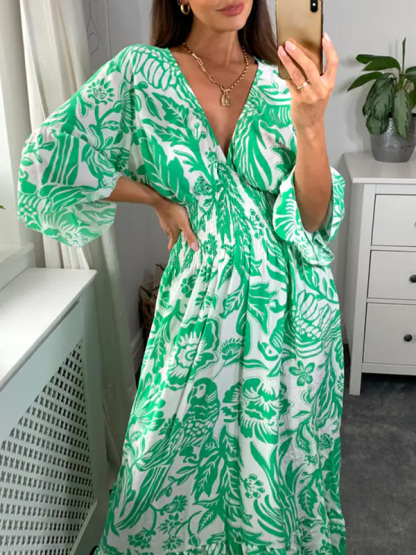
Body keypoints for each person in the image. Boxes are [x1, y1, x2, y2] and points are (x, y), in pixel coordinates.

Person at [17, 0, 347, 553]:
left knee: (280, 471)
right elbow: (45, 163)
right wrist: (155, 198)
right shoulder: (141, 73)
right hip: (199, 305)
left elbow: (313, 217)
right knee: (163, 461)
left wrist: (311, 123)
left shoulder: (278, 83)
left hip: (294, 316)